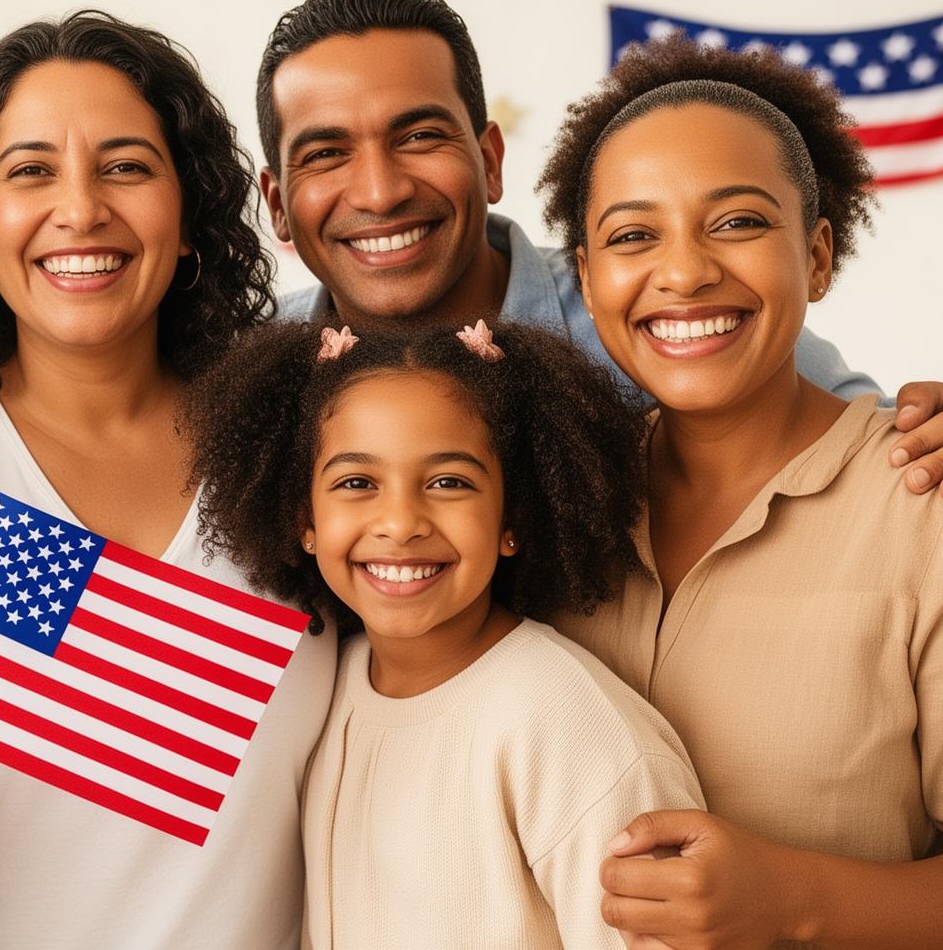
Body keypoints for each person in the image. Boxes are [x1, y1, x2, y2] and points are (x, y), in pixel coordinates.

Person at [0, 11, 337, 946]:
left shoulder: (296, 440)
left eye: (126, 166)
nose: (80, 210)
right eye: (31, 170)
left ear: (193, 214)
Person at [537, 36, 943, 947]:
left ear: (821, 254)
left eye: (738, 222)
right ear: (590, 282)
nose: (684, 272)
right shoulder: (559, 502)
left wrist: (797, 901)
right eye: (634, 235)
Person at [254, 0, 943, 508]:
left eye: (420, 135)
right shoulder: (243, 376)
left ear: (489, 160)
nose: (382, 191)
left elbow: (878, 452)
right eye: (326, 153)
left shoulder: (661, 321)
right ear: (279, 208)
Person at [187, 318, 703, 949]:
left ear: (513, 516)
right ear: (305, 519)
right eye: (357, 483)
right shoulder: (327, 683)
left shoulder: (565, 724)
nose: (400, 523)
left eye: (448, 482)